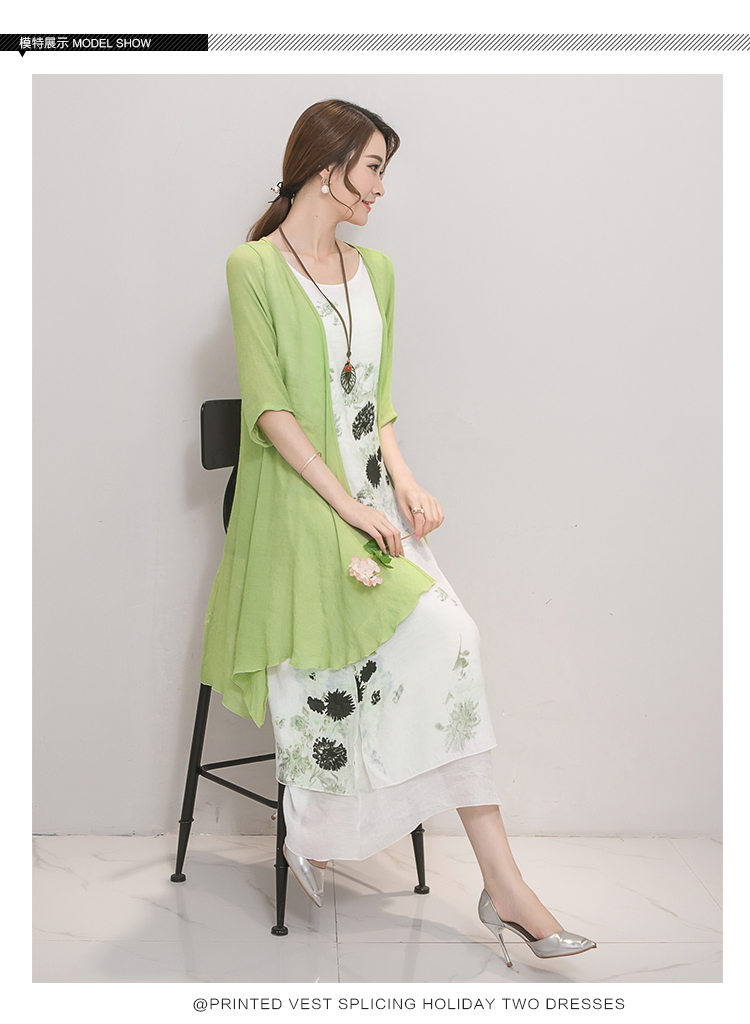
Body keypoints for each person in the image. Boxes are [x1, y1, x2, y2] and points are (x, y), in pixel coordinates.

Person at [200, 98, 596, 968]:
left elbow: (374, 408)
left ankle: (503, 886)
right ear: (326, 167)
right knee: (434, 641)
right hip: (299, 507)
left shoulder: (376, 271)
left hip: (373, 507)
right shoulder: (253, 266)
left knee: (453, 639)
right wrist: (348, 506)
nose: (382, 187)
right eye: (374, 167)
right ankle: (502, 888)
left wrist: (406, 484)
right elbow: (270, 412)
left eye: (384, 169)